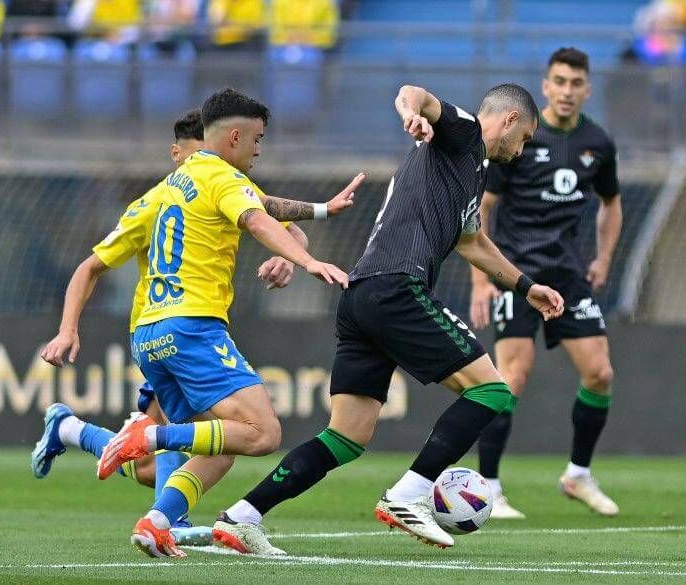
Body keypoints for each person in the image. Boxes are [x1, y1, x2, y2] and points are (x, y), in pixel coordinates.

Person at [204, 83, 564, 556]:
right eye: (525, 139)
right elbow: (414, 93)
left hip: (362, 296)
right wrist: (411, 113)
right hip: (398, 286)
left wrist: (525, 286)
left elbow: (472, 243)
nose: (520, 151)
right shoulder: (465, 133)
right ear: (510, 120)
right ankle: (409, 494)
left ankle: (243, 517)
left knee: (346, 437)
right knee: (492, 391)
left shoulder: (471, 172)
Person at [69, 88, 362, 558]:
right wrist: (307, 262)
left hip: (149, 334)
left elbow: (267, 207)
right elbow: (258, 220)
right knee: (262, 432)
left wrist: (324, 210)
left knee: (220, 446)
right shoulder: (223, 176)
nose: (259, 149)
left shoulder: (169, 186)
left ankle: (156, 523)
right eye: (258, 139)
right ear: (235, 136)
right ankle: (146, 435)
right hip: (192, 326)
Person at [32, 110, 211, 545]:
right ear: (175, 153)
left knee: (149, 466)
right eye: (194, 155)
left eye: (208, 156)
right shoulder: (152, 206)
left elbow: (279, 223)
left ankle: (69, 428)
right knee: (195, 430)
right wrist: (67, 329)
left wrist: (290, 252)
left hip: (200, 328)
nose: (201, 165)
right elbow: (90, 267)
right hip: (163, 330)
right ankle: (170, 519)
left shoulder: (223, 190)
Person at [469, 48, 623, 519]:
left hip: (569, 277)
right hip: (516, 274)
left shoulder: (598, 142)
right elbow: (482, 209)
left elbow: (611, 204)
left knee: (600, 373)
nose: (567, 91)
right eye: (560, 81)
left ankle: (578, 474)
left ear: (587, 89)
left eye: (576, 83)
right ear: (546, 86)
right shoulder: (521, 137)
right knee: (512, 376)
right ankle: (489, 487)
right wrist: (482, 281)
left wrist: (603, 259)